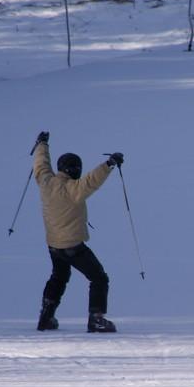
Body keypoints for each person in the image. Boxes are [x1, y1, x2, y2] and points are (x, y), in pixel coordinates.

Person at [32, 131, 125, 333]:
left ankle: (46, 316)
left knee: (58, 276)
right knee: (99, 278)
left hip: (53, 245)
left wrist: (42, 144)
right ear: (75, 170)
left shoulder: (46, 182)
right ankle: (96, 319)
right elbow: (92, 180)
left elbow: (40, 165)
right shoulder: (74, 189)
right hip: (73, 246)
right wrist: (109, 164)